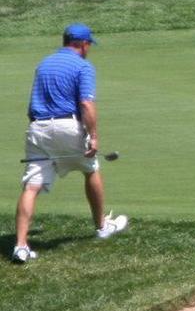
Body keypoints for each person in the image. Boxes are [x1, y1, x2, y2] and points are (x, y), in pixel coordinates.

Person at [15, 24, 126, 263]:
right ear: (83, 44)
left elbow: (31, 103)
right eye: (89, 45)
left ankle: (21, 246)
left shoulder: (44, 64)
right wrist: (93, 136)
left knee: (31, 186)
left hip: (38, 127)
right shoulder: (83, 66)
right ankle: (102, 226)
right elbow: (86, 104)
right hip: (67, 126)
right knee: (91, 168)